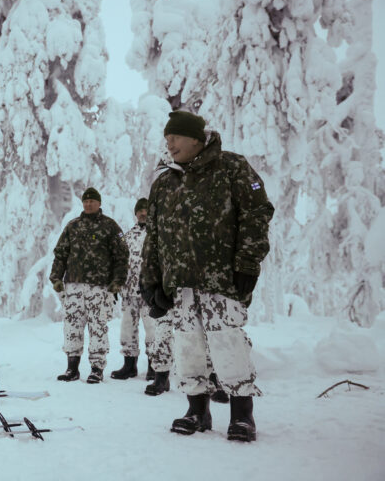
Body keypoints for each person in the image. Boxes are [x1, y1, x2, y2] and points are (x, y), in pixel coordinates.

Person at [140, 111, 274, 442]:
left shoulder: (232, 168)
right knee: (187, 345)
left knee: (228, 342)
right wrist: (151, 281)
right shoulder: (164, 182)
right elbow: (154, 235)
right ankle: (196, 410)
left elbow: (257, 212)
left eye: (175, 137)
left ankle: (242, 415)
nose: (168, 144)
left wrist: (247, 262)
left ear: (197, 139)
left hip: (222, 280)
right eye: (166, 138)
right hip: (180, 285)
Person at [50, 187, 129, 384]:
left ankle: (96, 368)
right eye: (85, 201)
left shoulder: (110, 227)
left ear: (99, 203)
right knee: (72, 327)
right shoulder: (73, 226)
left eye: (92, 201)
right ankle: (72, 368)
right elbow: (60, 253)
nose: (88, 204)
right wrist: (56, 278)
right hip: (74, 286)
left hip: (99, 287)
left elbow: (121, 256)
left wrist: (117, 282)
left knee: (98, 328)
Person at [111, 198, 175, 398]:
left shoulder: (158, 235)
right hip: (129, 292)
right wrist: (116, 283)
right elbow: (119, 261)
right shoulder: (128, 236)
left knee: (152, 331)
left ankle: (154, 367)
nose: (143, 213)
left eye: (146, 210)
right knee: (127, 330)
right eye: (139, 211)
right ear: (135, 213)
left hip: (150, 292)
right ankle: (129, 366)